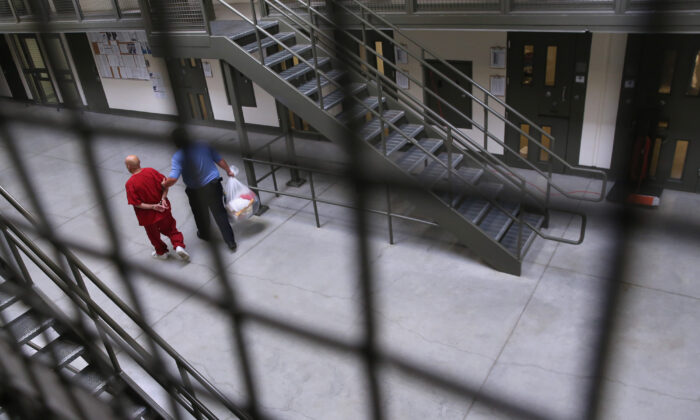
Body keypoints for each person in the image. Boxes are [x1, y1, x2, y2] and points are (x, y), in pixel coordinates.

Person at [162, 135, 238, 251]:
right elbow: (219, 159)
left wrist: (163, 185)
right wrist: (228, 171)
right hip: (213, 185)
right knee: (220, 213)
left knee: (200, 214)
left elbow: (173, 179)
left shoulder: (178, 156)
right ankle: (230, 241)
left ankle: (204, 234)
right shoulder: (204, 145)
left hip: (195, 190)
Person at [125, 155, 190, 262]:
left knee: (153, 236)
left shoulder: (130, 184)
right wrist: (163, 198)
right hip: (163, 210)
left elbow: (136, 203)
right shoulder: (151, 171)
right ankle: (178, 246)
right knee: (171, 229)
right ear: (139, 162)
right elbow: (165, 185)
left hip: (148, 217)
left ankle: (161, 252)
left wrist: (153, 207)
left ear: (128, 166)